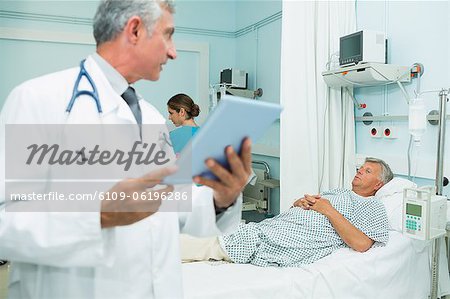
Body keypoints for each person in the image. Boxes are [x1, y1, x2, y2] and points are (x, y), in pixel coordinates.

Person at [0, 1, 251, 298]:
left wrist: (220, 200)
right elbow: (6, 222)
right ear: (134, 30)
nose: (173, 52)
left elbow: (170, 199)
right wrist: (98, 215)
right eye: (168, 35)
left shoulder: (151, 116)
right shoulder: (39, 100)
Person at [181, 157, 393, 267]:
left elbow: (363, 244)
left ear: (378, 184)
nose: (359, 172)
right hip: (278, 226)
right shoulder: (338, 192)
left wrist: (328, 210)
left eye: (367, 171)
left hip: (288, 239)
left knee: (216, 241)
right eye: (359, 168)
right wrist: (299, 204)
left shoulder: (372, 206)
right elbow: (304, 209)